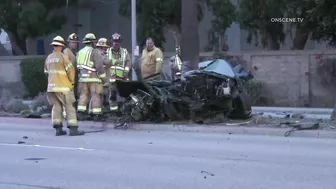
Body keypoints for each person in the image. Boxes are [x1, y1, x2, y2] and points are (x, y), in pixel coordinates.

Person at [44, 36, 84, 136]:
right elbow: (71, 71)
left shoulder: (49, 58)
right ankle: (73, 130)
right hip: (63, 87)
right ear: (62, 46)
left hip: (51, 88)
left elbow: (46, 72)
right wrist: (71, 83)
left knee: (56, 107)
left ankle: (58, 130)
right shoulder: (63, 57)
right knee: (69, 107)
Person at [76, 33, 108, 121]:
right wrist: (104, 79)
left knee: (83, 95)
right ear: (92, 42)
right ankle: (97, 114)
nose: (95, 43)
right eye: (94, 42)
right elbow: (99, 67)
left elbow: (77, 65)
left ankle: (80, 113)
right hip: (93, 78)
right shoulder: (95, 52)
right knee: (96, 96)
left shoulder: (79, 52)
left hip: (82, 78)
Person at [106, 33, 131, 111]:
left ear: (120, 42)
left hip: (122, 78)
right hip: (111, 78)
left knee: (124, 96)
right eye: (114, 41)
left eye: (117, 41)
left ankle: (124, 111)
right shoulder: (107, 51)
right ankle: (114, 111)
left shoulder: (124, 51)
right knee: (112, 96)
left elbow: (128, 62)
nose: (115, 43)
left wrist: (126, 72)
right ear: (111, 42)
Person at [63, 33, 79, 108]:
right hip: (68, 79)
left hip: (74, 79)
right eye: (73, 42)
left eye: (75, 43)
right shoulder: (67, 51)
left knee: (74, 96)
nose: (74, 44)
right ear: (69, 43)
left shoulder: (75, 53)